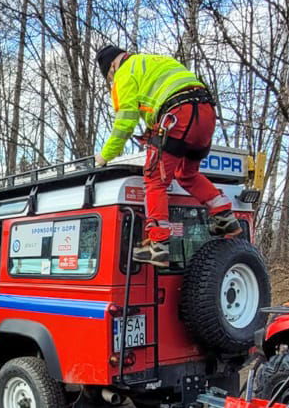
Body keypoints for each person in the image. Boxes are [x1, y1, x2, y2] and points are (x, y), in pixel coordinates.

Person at [94, 45, 242, 267]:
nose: (112, 80)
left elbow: (125, 120)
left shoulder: (125, 72)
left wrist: (105, 156)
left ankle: (158, 244)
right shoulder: (155, 62)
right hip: (206, 116)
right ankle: (223, 214)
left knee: (155, 179)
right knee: (187, 174)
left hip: (177, 115)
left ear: (112, 66)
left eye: (109, 76)